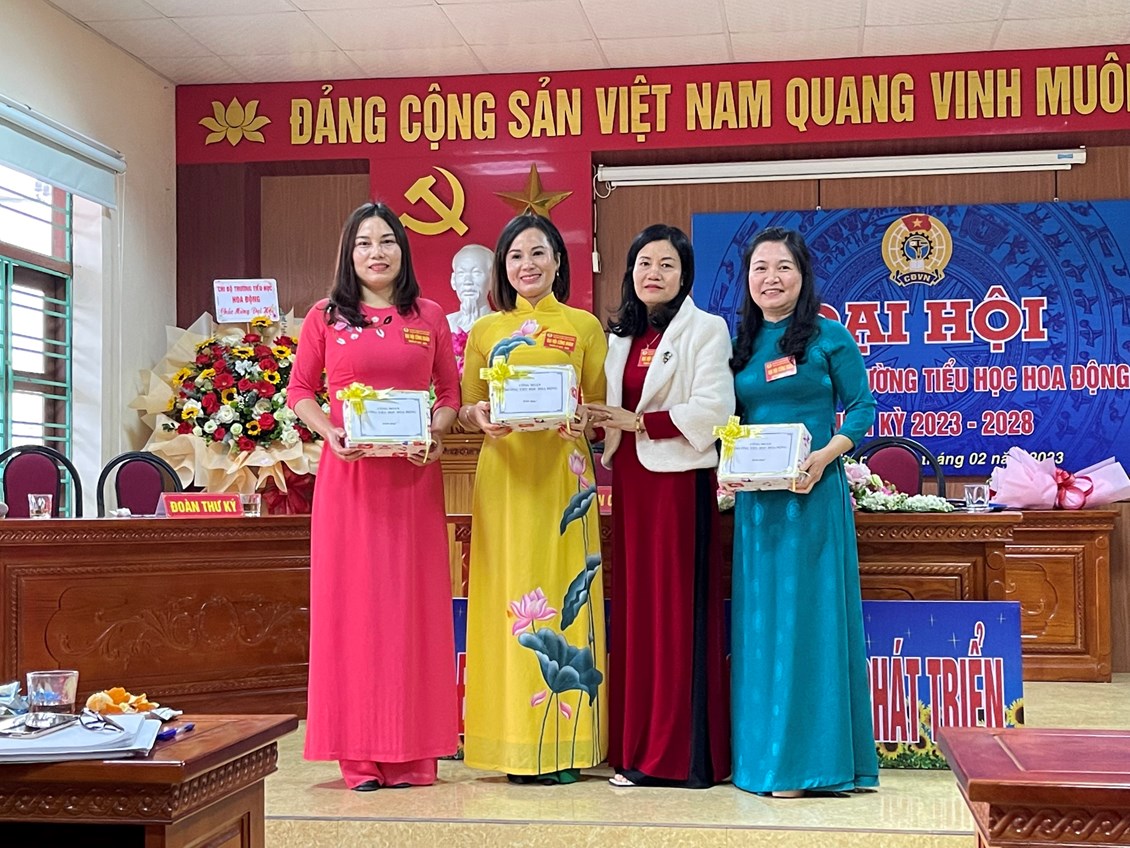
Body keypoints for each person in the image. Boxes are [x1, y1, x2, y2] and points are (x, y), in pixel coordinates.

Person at [288, 201, 460, 792]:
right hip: (351, 482)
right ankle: (358, 755)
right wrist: (329, 432)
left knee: (413, 612)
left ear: (402, 251)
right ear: (349, 253)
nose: (376, 253)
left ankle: (414, 753)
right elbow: (300, 391)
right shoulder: (324, 316)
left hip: (412, 482)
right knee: (355, 612)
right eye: (364, 243)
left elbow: (449, 395)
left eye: (386, 241)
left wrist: (434, 436)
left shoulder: (428, 315)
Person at [728, 226, 879, 798]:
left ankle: (806, 764)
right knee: (763, 625)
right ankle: (764, 758)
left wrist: (825, 457)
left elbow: (862, 410)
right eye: (760, 268)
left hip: (811, 496)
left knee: (808, 623)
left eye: (783, 267)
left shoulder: (828, 336)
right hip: (758, 506)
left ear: (803, 275)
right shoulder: (740, 344)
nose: (771, 278)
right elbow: (731, 418)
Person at [458, 213, 608, 784]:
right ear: (504, 266)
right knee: (507, 594)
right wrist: (478, 415)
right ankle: (511, 743)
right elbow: (468, 406)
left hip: (566, 479)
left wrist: (582, 419)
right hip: (506, 474)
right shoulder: (485, 331)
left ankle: (566, 746)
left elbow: (597, 408)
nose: (528, 265)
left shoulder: (584, 326)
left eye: (539, 253)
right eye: (516, 255)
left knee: (570, 591)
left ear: (558, 262)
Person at [587, 224, 734, 788]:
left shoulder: (706, 328)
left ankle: (676, 756)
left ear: (685, 274)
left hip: (677, 485)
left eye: (667, 264)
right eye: (644, 263)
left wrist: (640, 423)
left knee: (675, 615)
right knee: (637, 616)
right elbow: (611, 411)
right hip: (631, 484)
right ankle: (635, 748)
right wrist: (590, 422)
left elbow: (714, 409)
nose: (654, 273)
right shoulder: (620, 335)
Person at [446, 243, 494, 335]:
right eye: (461, 273)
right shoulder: (445, 324)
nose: (468, 281)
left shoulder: (503, 324)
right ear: (453, 281)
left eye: (476, 273)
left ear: (492, 280)